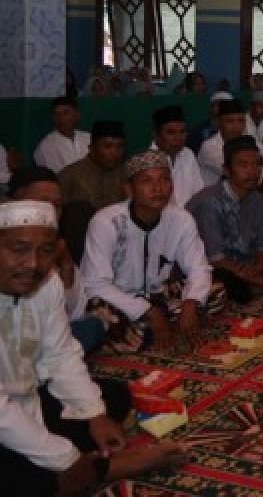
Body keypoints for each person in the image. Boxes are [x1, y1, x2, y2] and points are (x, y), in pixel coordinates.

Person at [0, 200, 188, 496]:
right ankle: (107, 468)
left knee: (112, 395)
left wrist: (94, 414)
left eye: (46, 251)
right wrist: (65, 458)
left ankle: (66, 468)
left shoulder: (47, 283)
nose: (33, 263)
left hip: (26, 400)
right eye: (18, 249)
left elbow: (60, 354)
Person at [80, 150, 219, 352]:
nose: (158, 188)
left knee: (215, 289)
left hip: (158, 296)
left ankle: (151, 330)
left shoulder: (181, 220)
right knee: (100, 314)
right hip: (119, 300)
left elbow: (199, 267)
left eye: (164, 179)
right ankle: (149, 330)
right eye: (147, 181)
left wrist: (190, 304)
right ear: (129, 189)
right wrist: (146, 311)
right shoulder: (106, 222)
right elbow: (94, 284)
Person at [6, 167, 106, 354]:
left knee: (93, 326)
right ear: (14, 203)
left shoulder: (55, 246)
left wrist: (66, 266)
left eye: (57, 205)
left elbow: (74, 314)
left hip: (45, 340)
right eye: (42, 202)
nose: (51, 211)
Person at [187, 136, 263, 303]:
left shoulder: (256, 198)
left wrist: (256, 271)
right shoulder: (209, 203)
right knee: (229, 285)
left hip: (247, 266)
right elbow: (216, 258)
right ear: (227, 171)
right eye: (243, 165)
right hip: (216, 268)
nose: (252, 171)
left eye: (256, 164)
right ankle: (255, 288)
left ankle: (256, 286)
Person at [198, 99, 263, 187]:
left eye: (241, 121)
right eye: (230, 121)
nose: (236, 126)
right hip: (213, 199)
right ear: (219, 123)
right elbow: (240, 173)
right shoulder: (209, 147)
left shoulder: (246, 141)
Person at [58, 121, 125, 212]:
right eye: (107, 146)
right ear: (92, 148)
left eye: (119, 146)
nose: (114, 152)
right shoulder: (68, 176)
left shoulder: (127, 175)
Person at [150, 104, 205, 208]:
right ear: (156, 135)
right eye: (171, 132)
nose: (178, 138)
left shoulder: (188, 154)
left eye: (182, 132)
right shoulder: (147, 161)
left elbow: (199, 193)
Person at [32, 96, 90, 174]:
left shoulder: (89, 138)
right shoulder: (45, 147)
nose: (60, 118)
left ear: (77, 116)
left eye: (65, 113)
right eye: (56, 114)